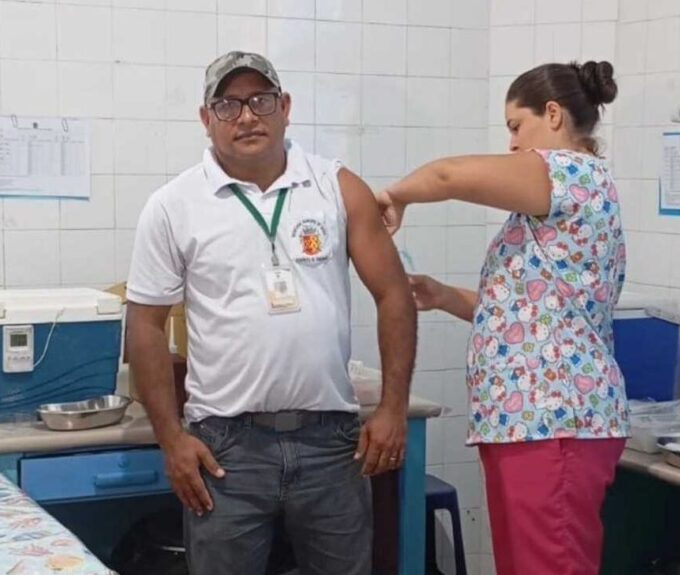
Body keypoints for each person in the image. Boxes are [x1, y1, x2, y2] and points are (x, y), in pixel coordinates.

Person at [125, 51, 417, 575]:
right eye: (228, 104)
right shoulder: (173, 205)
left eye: (260, 100)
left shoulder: (336, 187)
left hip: (332, 443)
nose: (246, 116)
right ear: (206, 118)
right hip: (224, 450)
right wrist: (171, 440)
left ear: (285, 107)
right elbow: (145, 325)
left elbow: (394, 294)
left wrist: (394, 408)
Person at [377, 60, 629, 575]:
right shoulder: (563, 197)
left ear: (553, 114)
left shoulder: (570, 174)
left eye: (517, 126)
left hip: (555, 420)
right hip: (530, 422)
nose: (512, 144)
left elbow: (449, 175)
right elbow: (530, 314)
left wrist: (393, 196)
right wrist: (444, 296)